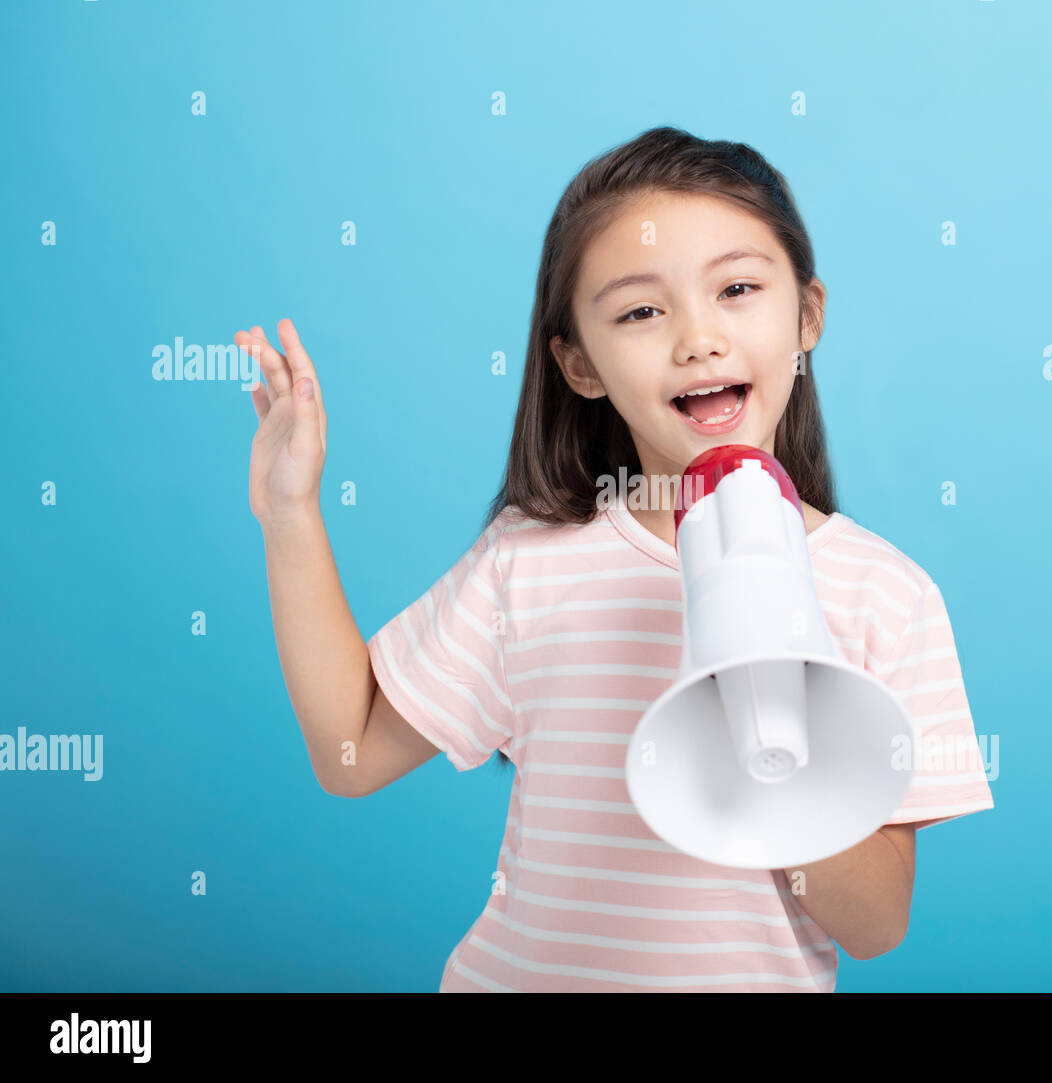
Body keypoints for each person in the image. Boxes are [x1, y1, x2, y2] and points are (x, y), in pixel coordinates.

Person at [237, 126, 994, 993]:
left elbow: (877, 925)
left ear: (807, 317)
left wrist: (768, 725)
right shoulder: (532, 561)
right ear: (579, 363)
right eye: (640, 310)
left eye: (738, 288)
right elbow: (352, 751)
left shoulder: (886, 596)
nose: (698, 338)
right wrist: (289, 511)